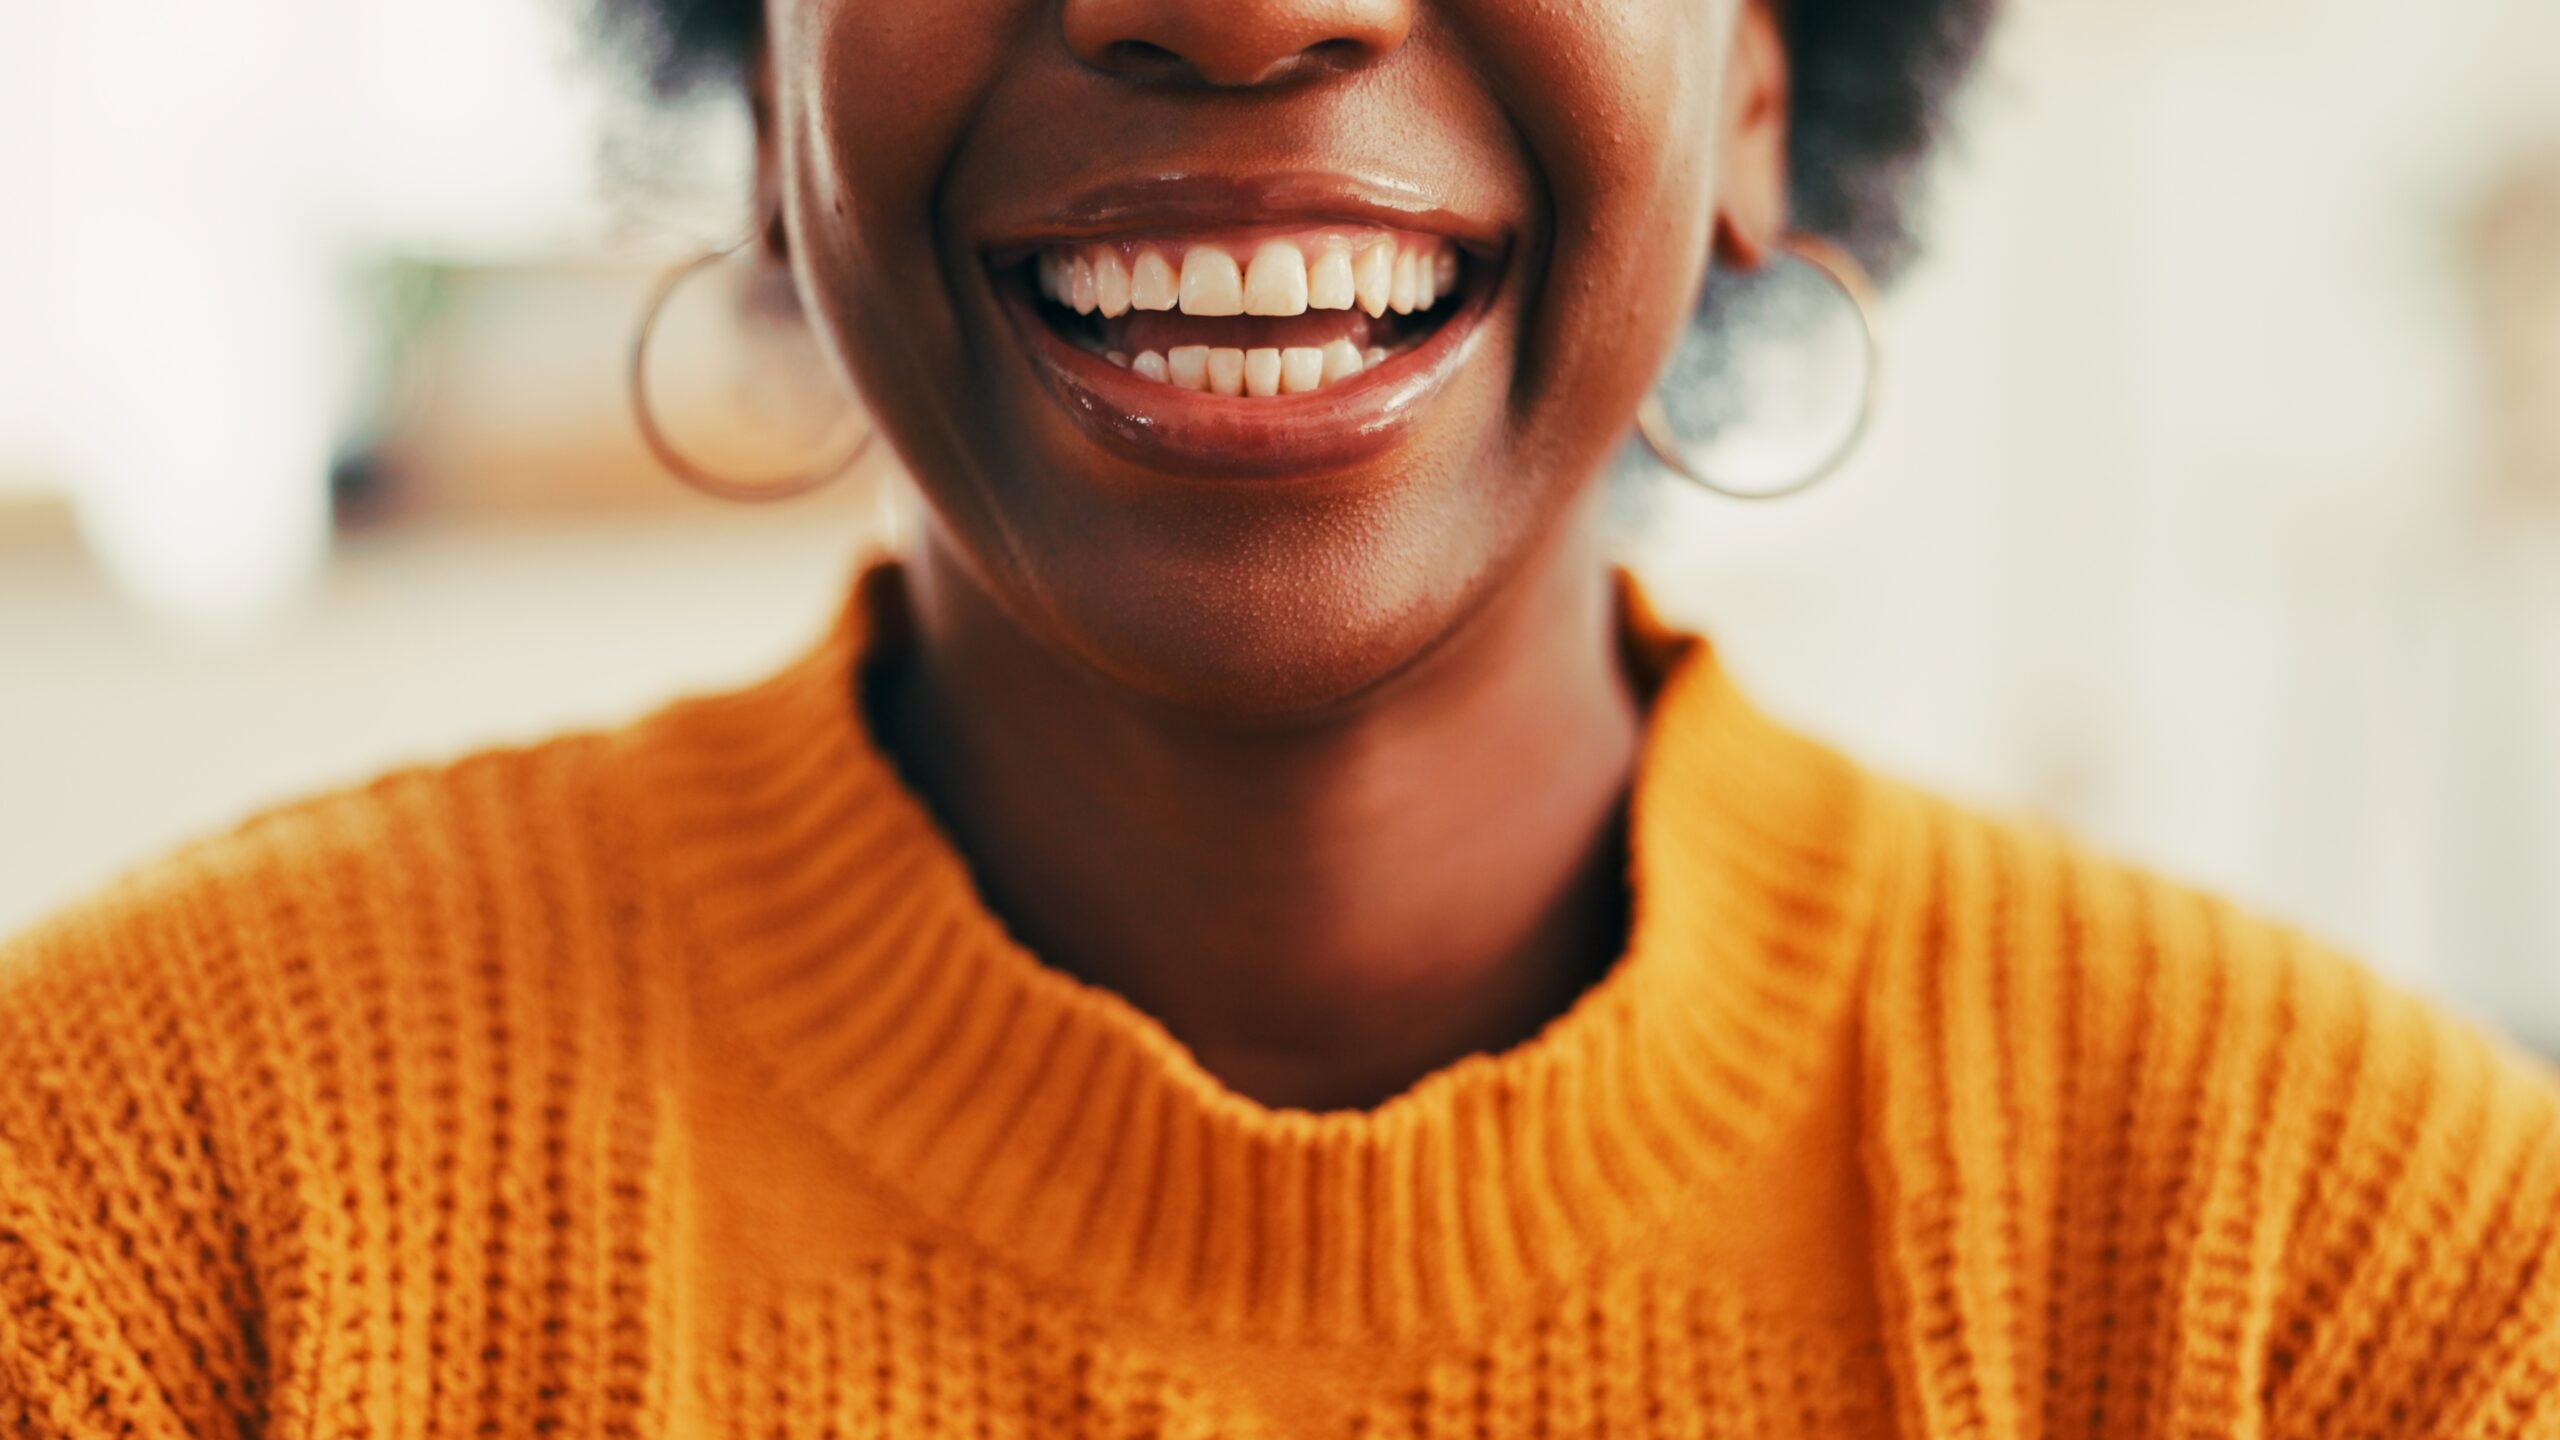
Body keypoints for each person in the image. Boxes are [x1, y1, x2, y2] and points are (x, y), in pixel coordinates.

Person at [6, 0, 2557, 1433]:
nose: (1237, 6)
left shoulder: (2344, 1292)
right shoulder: (154, 1213)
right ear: (765, 86)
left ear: (1763, 72)